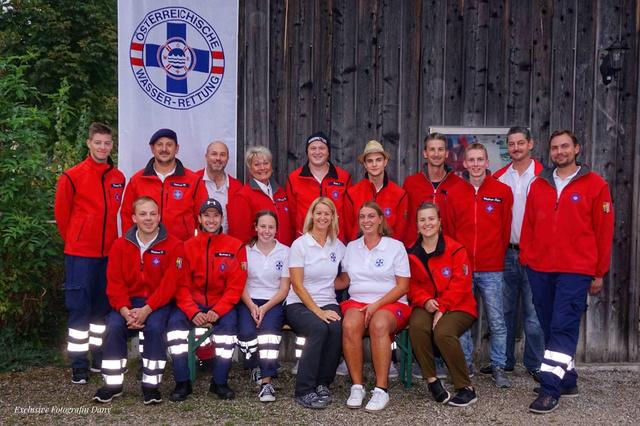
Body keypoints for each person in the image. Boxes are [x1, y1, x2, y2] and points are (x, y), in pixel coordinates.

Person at [520, 130, 614, 414]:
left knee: (562, 326)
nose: (560, 152)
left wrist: (599, 272)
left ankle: (550, 388)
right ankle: (568, 379)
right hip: (540, 268)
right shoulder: (539, 184)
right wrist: (527, 256)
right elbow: (529, 224)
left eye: (565, 146)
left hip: (576, 270)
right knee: (549, 325)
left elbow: (604, 231)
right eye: (555, 148)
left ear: (577, 148)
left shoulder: (596, 185)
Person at [93, 197, 184, 404]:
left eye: (153, 214)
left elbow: (170, 284)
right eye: (143, 214)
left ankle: (151, 386)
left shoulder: (174, 245)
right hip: (127, 303)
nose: (149, 219)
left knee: (154, 329)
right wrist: (125, 311)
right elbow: (114, 282)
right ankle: (112, 385)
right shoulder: (120, 245)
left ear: (159, 216)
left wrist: (148, 308)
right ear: (134, 218)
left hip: (157, 303)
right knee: (114, 326)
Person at [54, 122, 126, 385]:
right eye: (98, 142)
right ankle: (78, 365)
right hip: (80, 255)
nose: (103, 147)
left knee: (101, 312)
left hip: (108, 255)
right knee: (79, 310)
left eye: (107, 143)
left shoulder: (118, 177)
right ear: (88, 143)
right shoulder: (72, 176)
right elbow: (62, 216)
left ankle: (97, 358)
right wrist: (78, 240)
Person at [446, 143, 514, 388]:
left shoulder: (502, 191)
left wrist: (495, 254)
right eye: (471, 160)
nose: (475, 164)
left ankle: (498, 365)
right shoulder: (454, 192)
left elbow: (505, 230)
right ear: (464, 164)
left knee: (496, 320)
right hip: (464, 269)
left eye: (479, 160)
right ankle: (465, 364)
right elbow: (451, 232)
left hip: (492, 267)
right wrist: (460, 260)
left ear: (487, 162)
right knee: (464, 319)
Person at [165, 199, 247, 401]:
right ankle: (182, 382)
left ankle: (219, 382)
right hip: (192, 304)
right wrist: (193, 312)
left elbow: (236, 286)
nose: (211, 220)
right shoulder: (185, 247)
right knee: (175, 327)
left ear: (221, 218)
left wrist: (217, 311)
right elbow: (180, 285)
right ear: (199, 219)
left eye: (216, 215)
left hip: (221, 304)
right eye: (207, 215)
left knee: (228, 332)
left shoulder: (235, 246)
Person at [336, 202, 410, 412]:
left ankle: (381, 389)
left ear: (380, 219)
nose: (366, 221)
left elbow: (404, 286)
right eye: (362, 217)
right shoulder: (352, 247)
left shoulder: (395, 247)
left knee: (378, 324)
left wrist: (376, 305)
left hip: (391, 302)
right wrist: (316, 282)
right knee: (349, 324)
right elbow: (345, 280)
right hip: (358, 300)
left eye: (371, 216)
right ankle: (357, 386)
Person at [407, 202, 478, 407]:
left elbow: (461, 284)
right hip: (427, 304)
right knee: (418, 326)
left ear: (439, 222)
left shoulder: (456, 249)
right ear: (417, 225)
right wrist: (425, 301)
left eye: (431, 219)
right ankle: (432, 380)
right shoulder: (412, 253)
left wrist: (443, 307)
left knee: (443, 332)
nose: (427, 223)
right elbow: (410, 284)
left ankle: (466, 387)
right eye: (422, 220)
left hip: (458, 305)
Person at [488, 126, 545, 380]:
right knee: (505, 311)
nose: (516, 148)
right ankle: (506, 361)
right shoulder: (499, 178)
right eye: (511, 144)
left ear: (530, 144)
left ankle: (535, 364)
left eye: (520, 143)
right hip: (507, 253)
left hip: (536, 254)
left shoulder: (545, 177)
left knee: (533, 313)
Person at [285, 197, 346, 409]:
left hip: (328, 300)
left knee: (337, 328)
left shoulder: (338, 246)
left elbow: (345, 278)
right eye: (318, 213)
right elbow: (298, 285)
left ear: (333, 217)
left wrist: (333, 285)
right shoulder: (300, 244)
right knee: (319, 328)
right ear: (311, 215)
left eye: (327, 213)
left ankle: (322, 383)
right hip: (298, 304)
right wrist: (318, 311)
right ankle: (304, 390)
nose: (322, 217)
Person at [236, 210, 290, 402]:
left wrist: (265, 308)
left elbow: (284, 288)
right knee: (246, 334)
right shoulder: (245, 250)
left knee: (268, 334)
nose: (267, 231)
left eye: (271, 227)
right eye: (263, 226)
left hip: (273, 301)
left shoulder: (285, 252)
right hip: (248, 300)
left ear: (276, 229)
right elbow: (239, 284)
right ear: (256, 227)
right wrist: (251, 306)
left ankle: (266, 383)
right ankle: (255, 366)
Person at [121, 128, 208, 242]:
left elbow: (204, 216)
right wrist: (131, 244)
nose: (164, 149)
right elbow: (127, 215)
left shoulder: (193, 181)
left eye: (169, 145)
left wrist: (199, 246)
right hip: (147, 248)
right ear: (152, 148)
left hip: (182, 247)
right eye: (159, 145)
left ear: (176, 149)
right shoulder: (137, 180)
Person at [286, 132, 352, 242]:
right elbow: (291, 215)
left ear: (328, 152)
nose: (317, 152)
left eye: (322, 148)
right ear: (307, 152)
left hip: (336, 242)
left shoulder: (344, 178)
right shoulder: (294, 178)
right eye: (313, 148)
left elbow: (349, 215)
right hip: (305, 242)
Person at [402, 132, 463, 247]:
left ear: (446, 153)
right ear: (425, 153)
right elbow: (405, 219)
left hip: (447, 250)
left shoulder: (458, 185)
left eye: (440, 149)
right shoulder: (411, 183)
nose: (436, 154)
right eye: (432, 149)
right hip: (417, 250)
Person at [343, 140, 409, 242]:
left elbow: (400, 231)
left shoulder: (399, 194)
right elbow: (348, 229)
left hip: (388, 253)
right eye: (370, 161)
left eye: (378, 160)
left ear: (385, 162)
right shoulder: (351, 194)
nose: (374, 164)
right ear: (365, 164)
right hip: (359, 252)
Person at [228, 146, 294, 245]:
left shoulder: (280, 192)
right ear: (250, 169)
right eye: (257, 164)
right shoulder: (242, 196)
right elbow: (239, 235)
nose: (262, 168)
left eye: (266, 163)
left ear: (271, 166)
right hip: (259, 256)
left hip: (284, 253)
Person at [198, 140, 243, 234]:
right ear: (206, 157)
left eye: (222, 155)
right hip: (200, 244)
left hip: (227, 245)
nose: (218, 158)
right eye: (214, 154)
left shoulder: (237, 186)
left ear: (227, 158)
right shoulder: (194, 181)